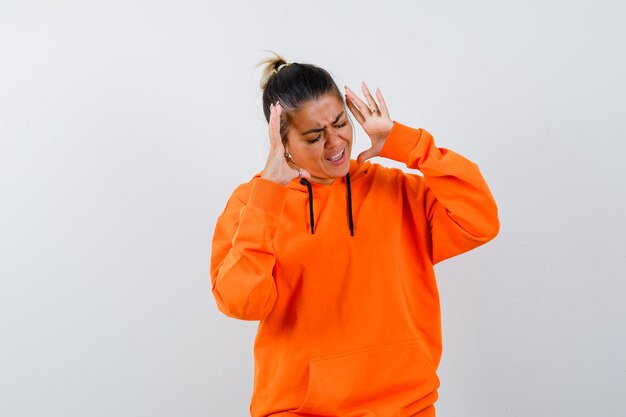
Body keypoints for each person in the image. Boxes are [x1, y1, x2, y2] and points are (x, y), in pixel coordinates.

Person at [210, 51, 500, 417]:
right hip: (298, 411)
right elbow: (240, 303)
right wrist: (268, 196)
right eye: (314, 136)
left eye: (340, 123)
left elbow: (481, 219)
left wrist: (406, 144)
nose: (335, 143)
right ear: (282, 144)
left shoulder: (396, 190)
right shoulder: (254, 204)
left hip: (406, 407)